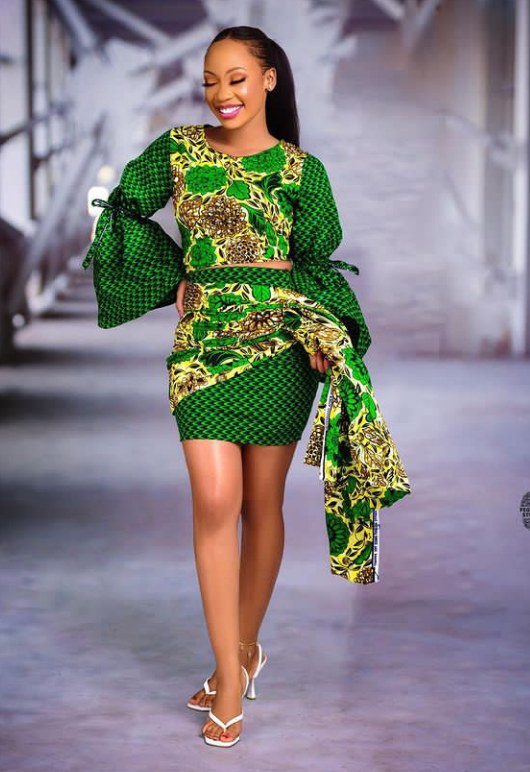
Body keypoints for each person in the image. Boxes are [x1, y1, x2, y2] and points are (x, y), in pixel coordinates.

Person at [82, 26, 411, 748]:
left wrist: (322, 334)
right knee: (215, 499)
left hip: (280, 344)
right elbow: (119, 208)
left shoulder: (301, 171)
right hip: (203, 344)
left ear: (268, 79)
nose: (221, 94)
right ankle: (231, 684)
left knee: (262, 504)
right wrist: (170, 275)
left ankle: (242, 649)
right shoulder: (177, 151)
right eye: (209, 80)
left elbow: (317, 262)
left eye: (235, 78)